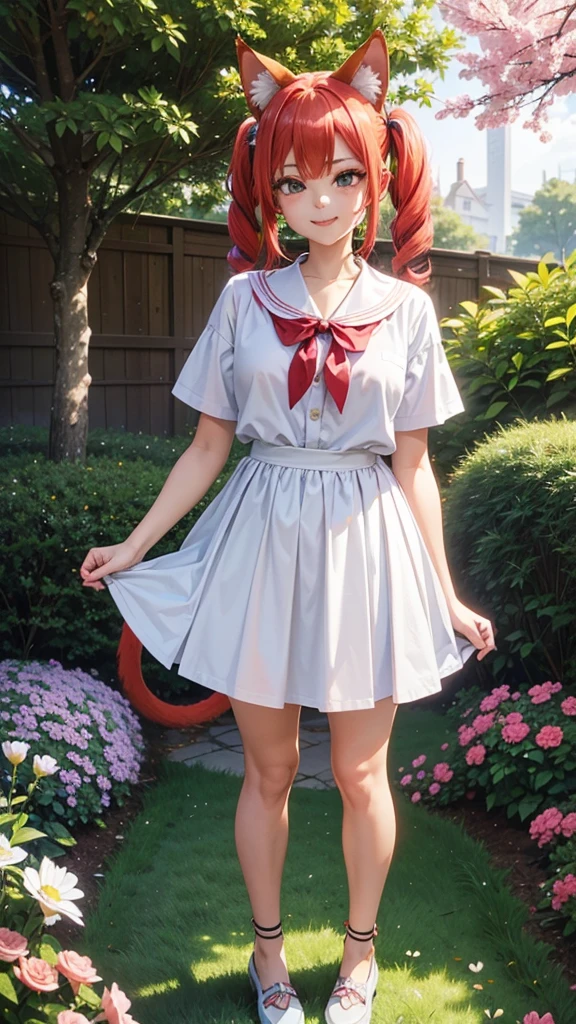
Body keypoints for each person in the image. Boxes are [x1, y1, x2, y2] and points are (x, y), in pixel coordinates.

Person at [80, 27, 496, 1024]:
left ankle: (358, 961)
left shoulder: (406, 312)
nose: (322, 200)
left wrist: (446, 592)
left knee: (359, 771)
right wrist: (136, 545)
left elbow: (414, 465)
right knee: (267, 766)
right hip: (262, 532)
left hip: (367, 540)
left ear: (378, 181)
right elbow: (207, 447)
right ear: (270, 188)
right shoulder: (240, 301)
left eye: (344, 177)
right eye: (299, 181)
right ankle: (270, 963)